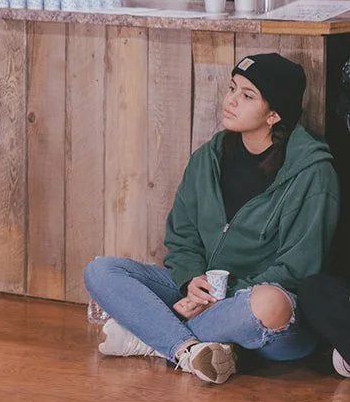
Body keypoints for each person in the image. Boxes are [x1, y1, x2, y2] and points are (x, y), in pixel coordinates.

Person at [84, 53, 338, 384]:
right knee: (101, 270)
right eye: (232, 88)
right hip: (202, 294)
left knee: (269, 303)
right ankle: (193, 349)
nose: (230, 101)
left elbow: (297, 268)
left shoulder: (312, 173)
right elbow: (183, 236)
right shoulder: (209, 158)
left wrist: (223, 298)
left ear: (274, 115)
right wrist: (191, 280)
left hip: (259, 311)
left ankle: (155, 339)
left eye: (247, 96)